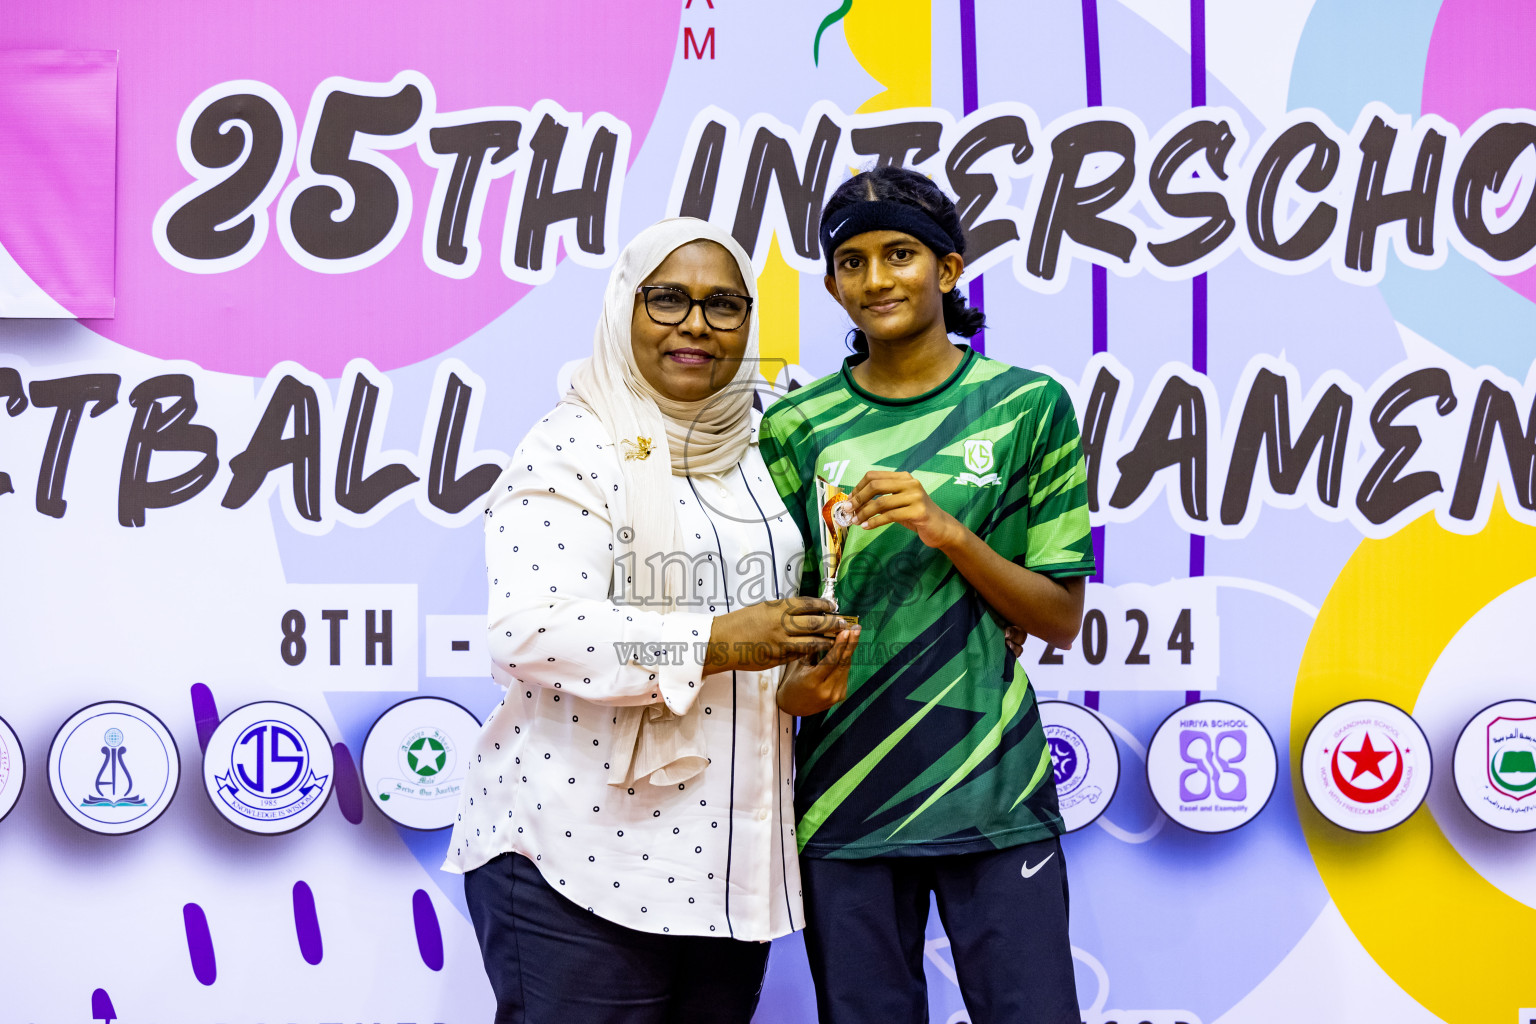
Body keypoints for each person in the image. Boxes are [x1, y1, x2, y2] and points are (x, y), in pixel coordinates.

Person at [444, 217, 858, 1024]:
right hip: (580, 855)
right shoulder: (576, 442)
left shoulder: (762, 447)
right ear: (623, 309)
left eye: (723, 305)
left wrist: (799, 675)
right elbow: (530, 630)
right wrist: (716, 640)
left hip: (728, 868)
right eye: (666, 299)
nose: (696, 324)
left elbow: (774, 624)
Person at [759, 166, 1095, 1024]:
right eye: (853, 261)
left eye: (901, 253)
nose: (877, 280)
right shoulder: (796, 427)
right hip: (844, 793)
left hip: (992, 787)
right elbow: (785, 620)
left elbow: (1057, 617)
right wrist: (793, 690)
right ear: (833, 283)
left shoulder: (1028, 406)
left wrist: (947, 531)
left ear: (948, 270)